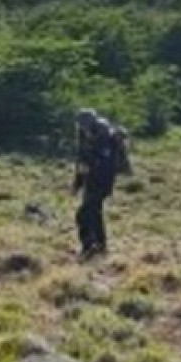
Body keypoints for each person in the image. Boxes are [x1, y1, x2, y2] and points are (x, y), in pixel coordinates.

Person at [72, 109, 121, 260]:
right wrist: (77, 184)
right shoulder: (84, 135)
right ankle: (99, 245)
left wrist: (90, 166)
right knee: (94, 213)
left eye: (84, 124)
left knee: (83, 214)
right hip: (91, 180)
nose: (82, 128)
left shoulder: (103, 136)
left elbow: (102, 163)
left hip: (102, 180)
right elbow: (82, 161)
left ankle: (89, 247)